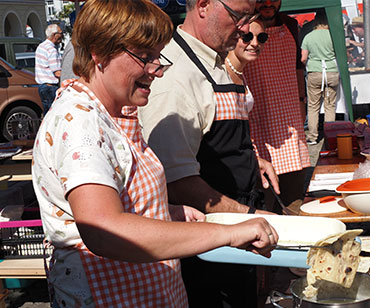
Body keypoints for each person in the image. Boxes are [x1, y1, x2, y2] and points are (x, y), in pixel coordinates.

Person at [31, 0, 279, 307]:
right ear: (100, 54)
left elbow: (123, 198)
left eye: (157, 57)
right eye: (144, 57)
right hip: (109, 296)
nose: (156, 71)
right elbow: (104, 229)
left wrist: (168, 212)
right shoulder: (80, 122)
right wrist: (226, 233)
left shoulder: (113, 114)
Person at [138, 0, 279, 306]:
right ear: (203, 5)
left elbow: (212, 143)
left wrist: (252, 160)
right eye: (238, 16)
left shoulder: (214, 62)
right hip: (205, 252)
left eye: (249, 17)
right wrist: (250, 217)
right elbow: (177, 183)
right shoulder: (175, 75)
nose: (245, 28)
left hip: (235, 239)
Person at [243, 0, 310, 214]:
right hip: (257, 122)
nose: (268, 3)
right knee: (265, 202)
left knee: (293, 201)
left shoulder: (290, 25)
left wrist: (301, 102)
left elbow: (298, 67)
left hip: (289, 123)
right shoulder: (242, 28)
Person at [301, 10, 339, 146]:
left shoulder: (308, 37)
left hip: (315, 72)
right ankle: (330, 136)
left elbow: (303, 58)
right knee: (330, 106)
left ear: (315, 22)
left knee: (313, 106)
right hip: (331, 72)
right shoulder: (333, 35)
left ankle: (312, 137)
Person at [225, 17, 268, 106]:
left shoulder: (240, 73)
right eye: (247, 37)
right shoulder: (220, 71)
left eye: (261, 38)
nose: (255, 43)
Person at [35, 24, 63, 115]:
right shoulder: (51, 49)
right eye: (60, 33)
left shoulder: (41, 46)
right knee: (55, 115)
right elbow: (57, 73)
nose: (62, 36)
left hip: (42, 86)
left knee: (48, 115)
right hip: (51, 87)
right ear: (54, 35)